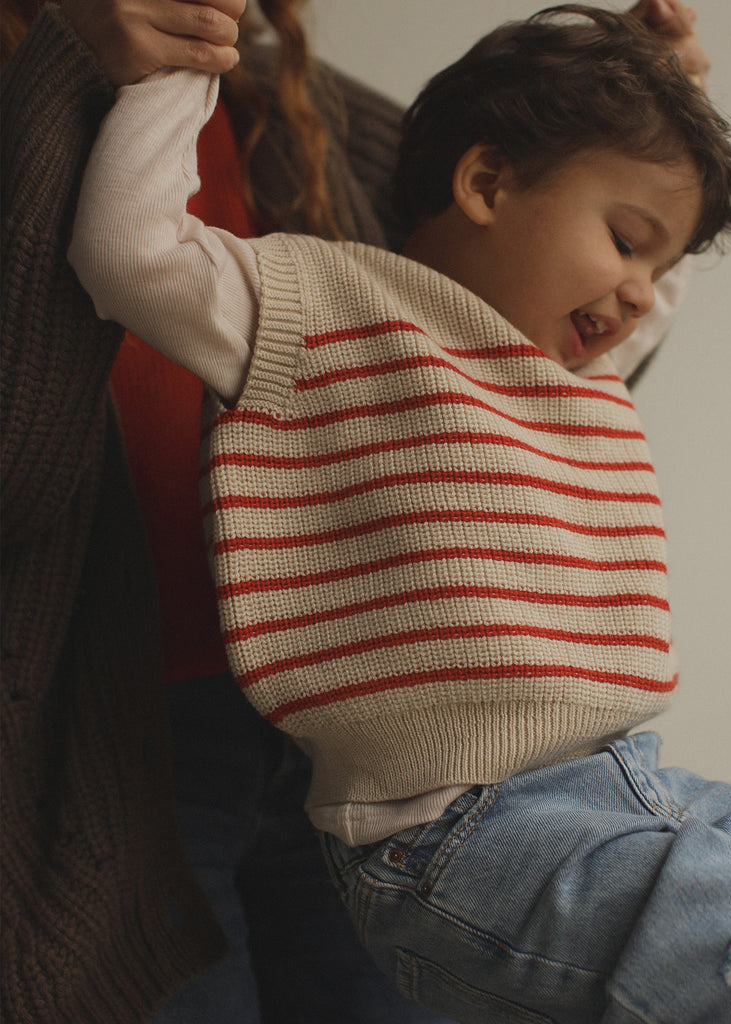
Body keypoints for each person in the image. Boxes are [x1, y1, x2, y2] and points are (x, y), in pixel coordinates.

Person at [68, 2, 731, 1022]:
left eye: (657, 268)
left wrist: (656, 103)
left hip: (619, 782)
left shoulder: (559, 368)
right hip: (458, 825)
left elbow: (631, 274)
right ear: (486, 182)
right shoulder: (323, 308)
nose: (638, 293)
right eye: (625, 241)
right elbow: (128, 252)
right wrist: (176, 71)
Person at [1, 0, 454, 1020]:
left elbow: (469, 335)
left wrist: (621, 143)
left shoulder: (283, 110)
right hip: (91, 760)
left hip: (321, 739)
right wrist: (68, 66)